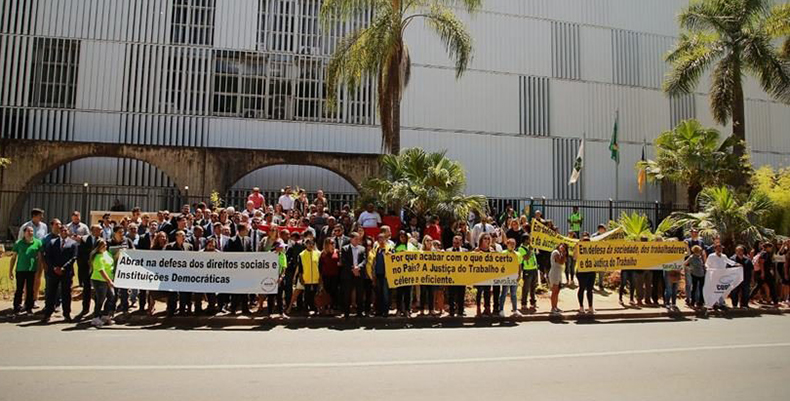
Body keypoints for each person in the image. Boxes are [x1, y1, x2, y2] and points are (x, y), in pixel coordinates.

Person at [42, 224, 78, 322]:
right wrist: (54, 267)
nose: (63, 232)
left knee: (66, 294)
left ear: (68, 232)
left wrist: (63, 268)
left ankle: (67, 314)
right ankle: (48, 314)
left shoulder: (73, 243)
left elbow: (73, 258)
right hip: (53, 272)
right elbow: (48, 256)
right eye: (61, 230)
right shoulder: (52, 242)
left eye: (65, 230)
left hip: (66, 273)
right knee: (51, 294)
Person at [9, 226, 44, 315]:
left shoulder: (38, 243)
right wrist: (10, 271)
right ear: (24, 233)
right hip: (20, 269)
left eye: (32, 231)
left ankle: (29, 307)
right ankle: (17, 307)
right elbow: (13, 258)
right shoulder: (19, 243)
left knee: (30, 289)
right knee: (19, 289)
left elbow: (40, 258)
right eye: (28, 231)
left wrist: (39, 269)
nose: (30, 233)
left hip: (31, 269)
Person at [286, 238, 320, 316]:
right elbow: (300, 268)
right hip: (306, 278)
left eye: (312, 243)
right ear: (305, 245)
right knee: (306, 295)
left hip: (315, 278)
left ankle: (314, 309)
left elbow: (319, 267)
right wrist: (300, 277)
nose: (311, 245)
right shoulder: (301, 255)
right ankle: (305, 309)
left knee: (314, 295)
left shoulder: (317, 254)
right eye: (309, 244)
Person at [224, 223, 252, 315]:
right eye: (246, 229)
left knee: (245, 289)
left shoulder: (248, 240)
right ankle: (233, 309)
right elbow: (229, 255)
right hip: (235, 270)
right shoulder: (232, 241)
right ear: (241, 230)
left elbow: (250, 253)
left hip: (245, 270)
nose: (248, 231)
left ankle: (245, 309)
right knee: (235, 290)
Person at [165, 230, 194, 316]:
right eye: (181, 235)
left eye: (184, 236)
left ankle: (182, 309)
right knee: (172, 293)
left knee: (184, 293)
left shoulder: (189, 246)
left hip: (185, 274)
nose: (184, 237)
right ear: (176, 237)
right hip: (173, 274)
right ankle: (171, 310)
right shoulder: (169, 247)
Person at [340, 233, 368, 318]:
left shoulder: (362, 248)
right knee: (347, 293)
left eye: (358, 239)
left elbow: (364, 260)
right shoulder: (345, 249)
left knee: (360, 293)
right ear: (351, 239)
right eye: (356, 239)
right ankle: (346, 312)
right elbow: (344, 261)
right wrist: (353, 269)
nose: (357, 241)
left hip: (359, 273)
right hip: (348, 274)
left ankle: (359, 312)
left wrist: (358, 267)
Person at [90, 239, 115, 327]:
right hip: (99, 280)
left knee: (111, 297)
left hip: (108, 279)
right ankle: (96, 317)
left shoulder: (107, 254)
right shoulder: (97, 257)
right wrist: (109, 281)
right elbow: (101, 271)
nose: (105, 247)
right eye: (102, 246)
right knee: (101, 298)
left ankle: (105, 315)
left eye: (105, 245)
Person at [108, 226, 134, 313]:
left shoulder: (127, 241)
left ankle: (125, 309)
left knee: (124, 292)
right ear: (114, 233)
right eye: (119, 232)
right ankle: (111, 309)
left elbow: (134, 252)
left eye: (123, 232)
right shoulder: (109, 242)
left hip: (124, 270)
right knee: (113, 292)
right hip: (112, 270)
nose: (122, 234)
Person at [474, 233, 498, 317]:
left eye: (488, 239)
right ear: (481, 240)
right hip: (479, 274)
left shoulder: (492, 250)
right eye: (485, 238)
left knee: (487, 292)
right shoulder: (477, 250)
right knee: (479, 291)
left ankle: (487, 308)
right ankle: (478, 309)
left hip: (488, 274)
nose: (487, 240)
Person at [498, 238, 521, 317]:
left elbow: (519, 265)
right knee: (504, 293)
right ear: (507, 245)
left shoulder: (518, 254)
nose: (512, 246)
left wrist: (519, 275)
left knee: (513, 294)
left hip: (514, 276)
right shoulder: (503, 253)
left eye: (513, 244)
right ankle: (501, 310)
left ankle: (515, 310)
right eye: (510, 244)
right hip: (506, 276)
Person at [446, 235, 468, 317]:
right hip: (451, 276)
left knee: (461, 294)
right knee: (451, 295)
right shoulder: (448, 251)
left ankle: (461, 310)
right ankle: (451, 310)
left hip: (462, 276)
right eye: (454, 242)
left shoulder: (465, 251)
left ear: (461, 242)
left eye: (458, 242)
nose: (456, 244)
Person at [319, 238, 341, 313]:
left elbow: (340, 262)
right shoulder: (323, 254)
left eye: (333, 243)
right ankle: (326, 307)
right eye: (331, 243)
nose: (333, 244)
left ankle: (332, 307)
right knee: (327, 291)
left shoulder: (337, 252)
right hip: (326, 275)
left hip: (335, 275)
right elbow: (320, 266)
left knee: (334, 291)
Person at [517, 234, 538, 311]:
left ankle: (533, 302)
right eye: (529, 239)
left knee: (533, 287)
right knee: (526, 288)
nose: (530, 241)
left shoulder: (530, 247)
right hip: (527, 270)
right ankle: (524, 303)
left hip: (534, 269)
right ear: (525, 240)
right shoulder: (521, 248)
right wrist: (530, 250)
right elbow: (526, 258)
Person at [394, 231, 413, 317]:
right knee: (399, 293)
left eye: (404, 236)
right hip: (399, 274)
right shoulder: (395, 247)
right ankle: (399, 309)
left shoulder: (411, 247)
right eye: (401, 237)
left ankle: (407, 310)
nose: (403, 238)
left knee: (408, 293)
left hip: (409, 274)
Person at [373, 233, 392, 317]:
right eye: (379, 239)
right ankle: (379, 310)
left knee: (385, 293)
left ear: (385, 239)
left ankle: (385, 310)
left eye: (382, 238)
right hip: (378, 273)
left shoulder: (390, 248)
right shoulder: (376, 249)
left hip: (386, 274)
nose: (381, 240)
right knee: (378, 293)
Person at [576, 234, 595, 314]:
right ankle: (581, 307)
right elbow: (574, 257)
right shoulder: (578, 249)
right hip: (581, 271)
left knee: (590, 289)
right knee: (582, 288)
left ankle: (590, 307)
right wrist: (577, 248)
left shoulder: (593, 249)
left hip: (591, 271)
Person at [549, 243, 567, 315]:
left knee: (557, 291)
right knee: (554, 290)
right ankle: (553, 308)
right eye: (562, 246)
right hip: (554, 273)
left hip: (559, 273)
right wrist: (563, 254)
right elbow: (561, 261)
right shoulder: (556, 252)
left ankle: (555, 307)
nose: (563, 247)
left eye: (564, 247)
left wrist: (563, 254)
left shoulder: (560, 253)